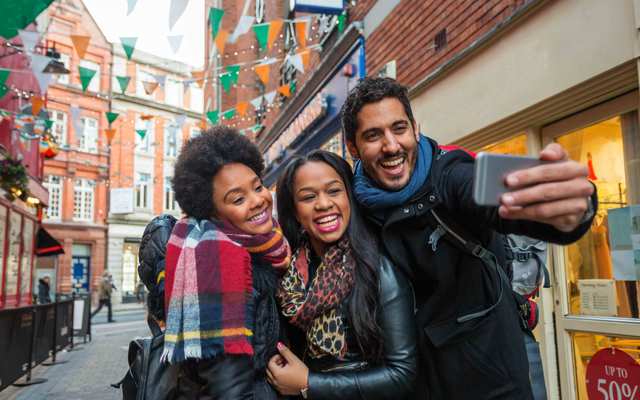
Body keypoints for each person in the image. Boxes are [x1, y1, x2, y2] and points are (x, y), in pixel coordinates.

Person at [340, 77, 597, 400]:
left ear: (416, 129)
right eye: (374, 135)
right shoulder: (356, 205)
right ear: (353, 147)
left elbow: (495, 195)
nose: (391, 146)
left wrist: (567, 212)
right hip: (418, 384)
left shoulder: (450, 173)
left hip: (490, 378)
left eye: (399, 128)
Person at [266, 150, 417, 399]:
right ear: (294, 211)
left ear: (350, 198)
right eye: (308, 197)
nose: (324, 204)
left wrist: (309, 385)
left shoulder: (378, 270)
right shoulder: (288, 274)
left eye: (334, 191)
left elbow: (402, 374)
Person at [161, 126, 291, 399]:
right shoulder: (218, 264)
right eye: (238, 198)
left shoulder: (265, 246)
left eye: (258, 187)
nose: (258, 201)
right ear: (211, 210)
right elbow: (227, 390)